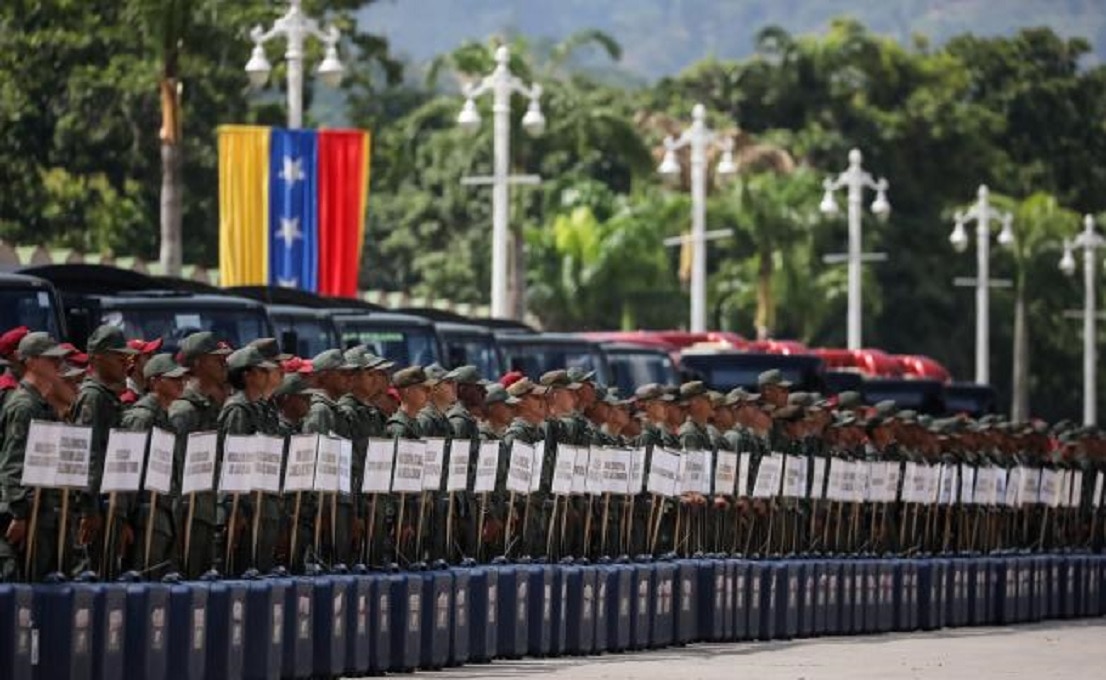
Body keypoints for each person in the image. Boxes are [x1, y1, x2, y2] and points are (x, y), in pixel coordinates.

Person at [0, 332, 74, 581]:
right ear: (31, 361)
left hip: (41, 512)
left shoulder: (40, 404)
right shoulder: (24, 405)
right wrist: (19, 513)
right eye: (50, 359)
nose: (58, 363)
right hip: (24, 514)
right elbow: (12, 463)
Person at [74, 324, 138, 578]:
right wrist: (89, 509)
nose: (125, 362)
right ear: (97, 358)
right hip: (97, 508)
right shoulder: (93, 397)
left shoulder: (108, 397)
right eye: (118, 356)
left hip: (112, 507)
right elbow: (88, 453)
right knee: (94, 578)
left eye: (126, 356)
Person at [169, 331, 232, 578]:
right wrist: (180, 519)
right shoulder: (184, 411)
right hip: (187, 515)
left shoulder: (209, 407)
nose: (223, 363)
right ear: (197, 363)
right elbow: (177, 472)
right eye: (216, 358)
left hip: (205, 511)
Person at [119, 353, 187, 577]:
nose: (181, 382)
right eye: (173, 378)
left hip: (163, 514)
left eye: (182, 378)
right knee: (143, 581)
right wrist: (123, 519)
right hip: (143, 516)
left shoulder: (165, 417)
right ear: (155, 382)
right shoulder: (142, 418)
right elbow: (127, 470)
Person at [302, 349, 357, 566]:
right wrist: (320, 509)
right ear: (324, 376)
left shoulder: (334, 409)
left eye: (350, 374)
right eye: (342, 373)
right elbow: (314, 462)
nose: (349, 378)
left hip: (339, 499)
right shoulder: (320, 411)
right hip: (326, 505)